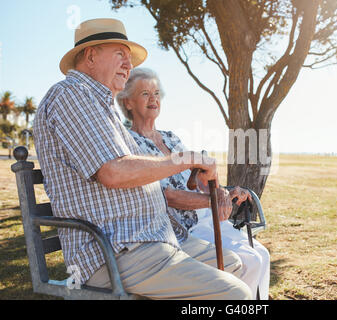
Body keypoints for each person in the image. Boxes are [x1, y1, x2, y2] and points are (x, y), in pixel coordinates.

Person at [33, 18, 252, 300]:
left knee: (233, 263)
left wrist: (194, 174)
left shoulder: (101, 107)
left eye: (129, 58)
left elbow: (138, 171)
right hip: (114, 250)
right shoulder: (71, 95)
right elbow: (113, 172)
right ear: (90, 56)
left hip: (149, 241)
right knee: (237, 296)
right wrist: (187, 158)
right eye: (120, 54)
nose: (129, 64)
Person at [116, 67, 271, 300]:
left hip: (202, 217)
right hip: (178, 227)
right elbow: (166, 195)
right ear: (128, 102)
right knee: (249, 261)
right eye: (145, 93)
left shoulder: (170, 137)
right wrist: (213, 201)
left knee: (261, 254)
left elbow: (200, 179)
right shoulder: (129, 143)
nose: (153, 99)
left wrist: (224, 192)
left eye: (156, 93)